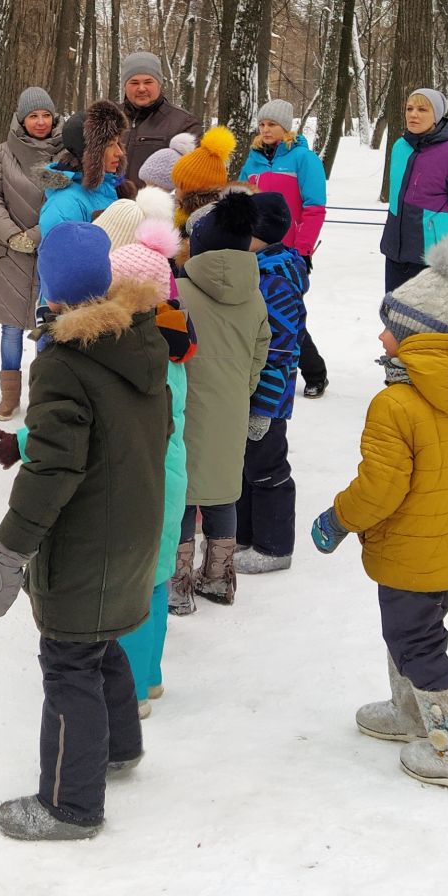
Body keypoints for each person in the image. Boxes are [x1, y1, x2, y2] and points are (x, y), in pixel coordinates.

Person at [0, 221, 172, 842]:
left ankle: (70, 802)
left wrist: (12, 548)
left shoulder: (65, 363)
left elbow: (53, 468)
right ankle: (117, 749)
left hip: (89, 539)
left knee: (68, 659)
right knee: (100, 641)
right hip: (133, 527)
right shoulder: (142, 342)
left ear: (51, 292)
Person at [310, 234, 448, 795]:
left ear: (414, 338)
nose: (380, 335)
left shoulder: (397, 402)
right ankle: (412, 717)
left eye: (389, 326)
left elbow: (380, 487)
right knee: (410, 633)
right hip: (447, 544)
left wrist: (339, 520)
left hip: (412, 549)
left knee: (417, 643)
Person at [105, 196, 193, 713]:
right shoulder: (172, 340)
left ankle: (132, 691)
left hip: (147, 479)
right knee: (156, 580)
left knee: (135, 586)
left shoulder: (141, 357)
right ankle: (152, 675)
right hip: (172, 476)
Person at [171, 193, 269, 612]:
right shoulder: (255, 297)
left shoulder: (178, 291)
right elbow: (261, 351)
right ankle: (217, 578)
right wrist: (241, 390)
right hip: (230, 411)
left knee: (181, 494)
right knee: (222, 494)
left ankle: (177, 586)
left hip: (182, 408)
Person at [0, 87, 62, 421]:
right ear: (21, 119)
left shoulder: (66, 153)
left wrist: (37, 235)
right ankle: (9, 397)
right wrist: (12, 235)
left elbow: (66, 201)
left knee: (48, 325)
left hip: (51, 251)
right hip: (10, 253)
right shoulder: (3, 153)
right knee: (11, 329)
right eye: (33, 116)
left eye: (45, 115)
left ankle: (43, 394)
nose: (40, 122)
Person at [235, 191, 309, 574]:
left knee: (267, 469)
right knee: (247, 468)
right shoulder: (259, 268)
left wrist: (263, 405)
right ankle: (246, 536)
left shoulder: (275, 281)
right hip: (250, 392)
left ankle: (274, 547)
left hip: (269, 397)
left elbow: (279, 352)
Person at [240, 98, 329, 397]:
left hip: (288, 252)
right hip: (253, 250)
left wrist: (302, 250)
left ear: (286, 128)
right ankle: (260, 370)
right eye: (262, 124)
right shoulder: (252, 160)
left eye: (272, 125)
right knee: (259, 312)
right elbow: (239, 201)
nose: (266, 130)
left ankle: (315, 372)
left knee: (287, 314)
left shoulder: (304, 159)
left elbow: (315, 207)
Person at [381, 87, 448, 293]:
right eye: (409, 109)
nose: (413, 114)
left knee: (429, 323)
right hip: (396, 252)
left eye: (422, 109)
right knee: (394, 317)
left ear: (437, 115)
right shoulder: (400, 147)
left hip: (432, 258)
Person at [34, 101, 130, 241]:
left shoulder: (109, 186)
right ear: (90, 154)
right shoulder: (64, 205)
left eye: (118, 142)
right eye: (110, 145)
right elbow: (62, 260)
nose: (119, 152)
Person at [117, 51, 200, 182]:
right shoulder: (109, 117)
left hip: (155, 201)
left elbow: (195, 176)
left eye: (148, 82)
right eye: (134, 83)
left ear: (159, 84)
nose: (141, 88)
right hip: (108, 201)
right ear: (125, 85)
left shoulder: (184, 123)